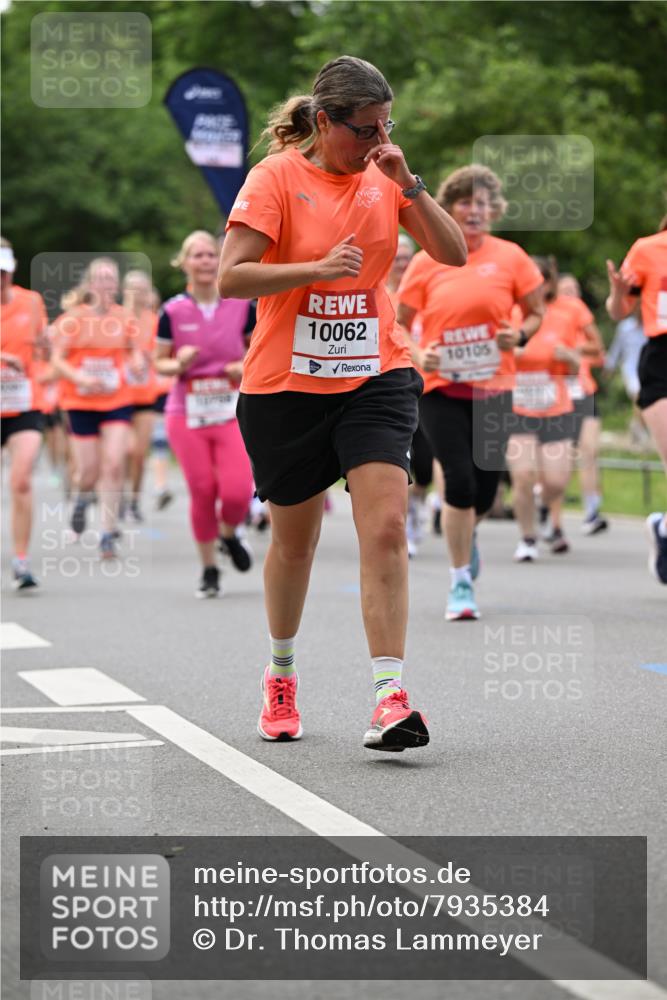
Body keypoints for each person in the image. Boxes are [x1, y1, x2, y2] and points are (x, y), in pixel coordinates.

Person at [219, 55, 466, 750]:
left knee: (385, 526)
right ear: (324, 122)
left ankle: (390, 696)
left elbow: (450, 255)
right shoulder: (274, 179)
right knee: (294, 546)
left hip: (374, 375)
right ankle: (281, 674)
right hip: (286, 387)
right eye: (363, 130)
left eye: (387, 125)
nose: (376, 141)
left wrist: (409, 184)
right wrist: (316, 270)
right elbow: (231, 280)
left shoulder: (386, 178)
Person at [397, 164, 543, 620]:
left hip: (494, 386)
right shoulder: (426, 259)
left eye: (481, 203)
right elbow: (398, 324)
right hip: (441, 388)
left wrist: (518, 337)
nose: (473, 210)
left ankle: (467, 533)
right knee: (457, 479)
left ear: (493, 210)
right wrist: (421, 355)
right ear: (450, 207)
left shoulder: (512, 256)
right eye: (463, 202)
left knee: (482, 491)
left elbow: (535, 313)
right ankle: (461, 582)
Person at [155, 230, 256, 598]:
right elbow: (158, 364)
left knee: (236, 491)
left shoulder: (242, 305)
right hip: (187, 411)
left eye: (211, 255)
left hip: (230, 409)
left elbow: (260, 351)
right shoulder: (172, 311)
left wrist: (242, 365)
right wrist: (177, 363)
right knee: (202, 489)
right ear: (183, 262)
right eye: (197, 255)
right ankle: (209, 569)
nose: (205, 261)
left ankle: (228, 534)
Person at [51, 257, 144, 559]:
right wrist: (81, 377)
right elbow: (57, 359)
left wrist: (137, 363)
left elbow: (134, 352)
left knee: (114, 463)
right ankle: (81, 498)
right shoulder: (73, 318)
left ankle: (107, 533)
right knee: (88, 471)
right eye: (101, 279)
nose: (106, 285)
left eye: (111, 279)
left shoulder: (125, 317)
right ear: (90, 284)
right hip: (80, 400)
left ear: (116, 286)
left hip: (116, 399)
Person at [507, 258, 582, 561]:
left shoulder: (562, 316)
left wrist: (570, 358)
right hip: (517, 406)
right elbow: (495, 357)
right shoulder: (511, 313)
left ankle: (540, 503)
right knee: (523, 475)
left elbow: (576, 369)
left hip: (556, 407)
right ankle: (527, 539)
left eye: (542, 280)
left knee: (556, 482)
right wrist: (515, 351)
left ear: (549, 284)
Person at [607, 216, 667, 583]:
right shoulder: (647, 249)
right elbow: (618, 313)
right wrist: (616, 292)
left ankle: (663, 527)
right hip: (662, 361)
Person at [0, 237, 48, 589]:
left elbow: (44, 343)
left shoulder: (31, 302)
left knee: (20, 479)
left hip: (24, 403)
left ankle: (20, 560)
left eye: (3, 272)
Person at [555, 272, 608, 536]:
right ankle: (546, 507)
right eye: (565, 289)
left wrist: (577, 352)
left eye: (575, 289)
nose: (571, 294)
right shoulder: (548, 319)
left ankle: (592, 510)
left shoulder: (585, 327)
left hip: (584, 392)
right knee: (559, 458)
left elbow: (599, 355)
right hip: (556, 395)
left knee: (589, 451)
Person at [121, 269, 161, 522]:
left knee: (138, 453)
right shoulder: (117, 318)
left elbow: (162, 350)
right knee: (123, 450)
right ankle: (120, 495)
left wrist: (147, 358)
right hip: (119, 396)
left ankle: (134, 499)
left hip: (146, 394)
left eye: (142, 288)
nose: (137, 294)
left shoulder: (154, 320)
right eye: (132, 288)